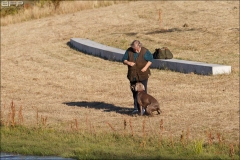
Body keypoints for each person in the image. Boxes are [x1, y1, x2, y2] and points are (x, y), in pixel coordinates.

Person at [122, 40, 153, 114]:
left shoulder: (145, 51)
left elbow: (151, 60)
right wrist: (128, 62)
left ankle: (144, 109)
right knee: (134, 92)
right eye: (133, 48)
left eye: (136, 48)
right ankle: (136, 108)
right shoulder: (129, 51)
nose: (135, 50)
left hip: (143, 75)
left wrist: (145, 67)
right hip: (133, 75)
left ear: (139, 46)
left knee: (143, 93)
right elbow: (123, 60)